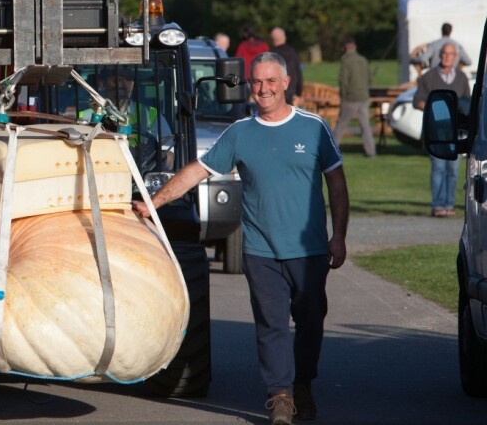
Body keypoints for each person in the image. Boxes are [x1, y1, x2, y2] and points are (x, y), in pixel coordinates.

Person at [132, 51, 349, 425]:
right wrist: (155, 202)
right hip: (261, 250)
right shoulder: (239, 133)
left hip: (310, 249)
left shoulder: (314, 128)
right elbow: (196, 171)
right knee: (271, 325)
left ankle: (304, 387)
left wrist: (340, 236)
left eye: (269, 82)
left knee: (311, 322)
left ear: (285, 83)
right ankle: (280, 395)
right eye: (257, 82)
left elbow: (337, 184)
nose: (262, 89)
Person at [413, 42, 471, 218]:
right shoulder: (429, 77)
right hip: (436, 131)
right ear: (440, 55)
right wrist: (434, 109)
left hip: (456, 132)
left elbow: (467, 101)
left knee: (453, 170)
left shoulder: (461, 78)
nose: (447, 57)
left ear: (455, 57)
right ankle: (437, 204)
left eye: (450, 54)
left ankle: (449, 204)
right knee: (438, 167)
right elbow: (418, 101)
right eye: (444, 54)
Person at [333, 36, 376, 157]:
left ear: (345, 48)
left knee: (341, 125)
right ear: (355, 47)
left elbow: (344, 81)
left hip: (350, 98)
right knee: (365, 126)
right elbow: (369, 79)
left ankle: (332, 150)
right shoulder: (363, 59)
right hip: (363, 97)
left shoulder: (345, 61)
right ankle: (371, 151)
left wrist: (343, 96)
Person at [269, 27, 303, 105]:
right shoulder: (292, 53)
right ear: (284, 38)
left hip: (275, 94)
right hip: (291, 94)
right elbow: (298, 74)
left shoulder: (271, 55)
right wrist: (299, 94)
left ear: (272, 40)